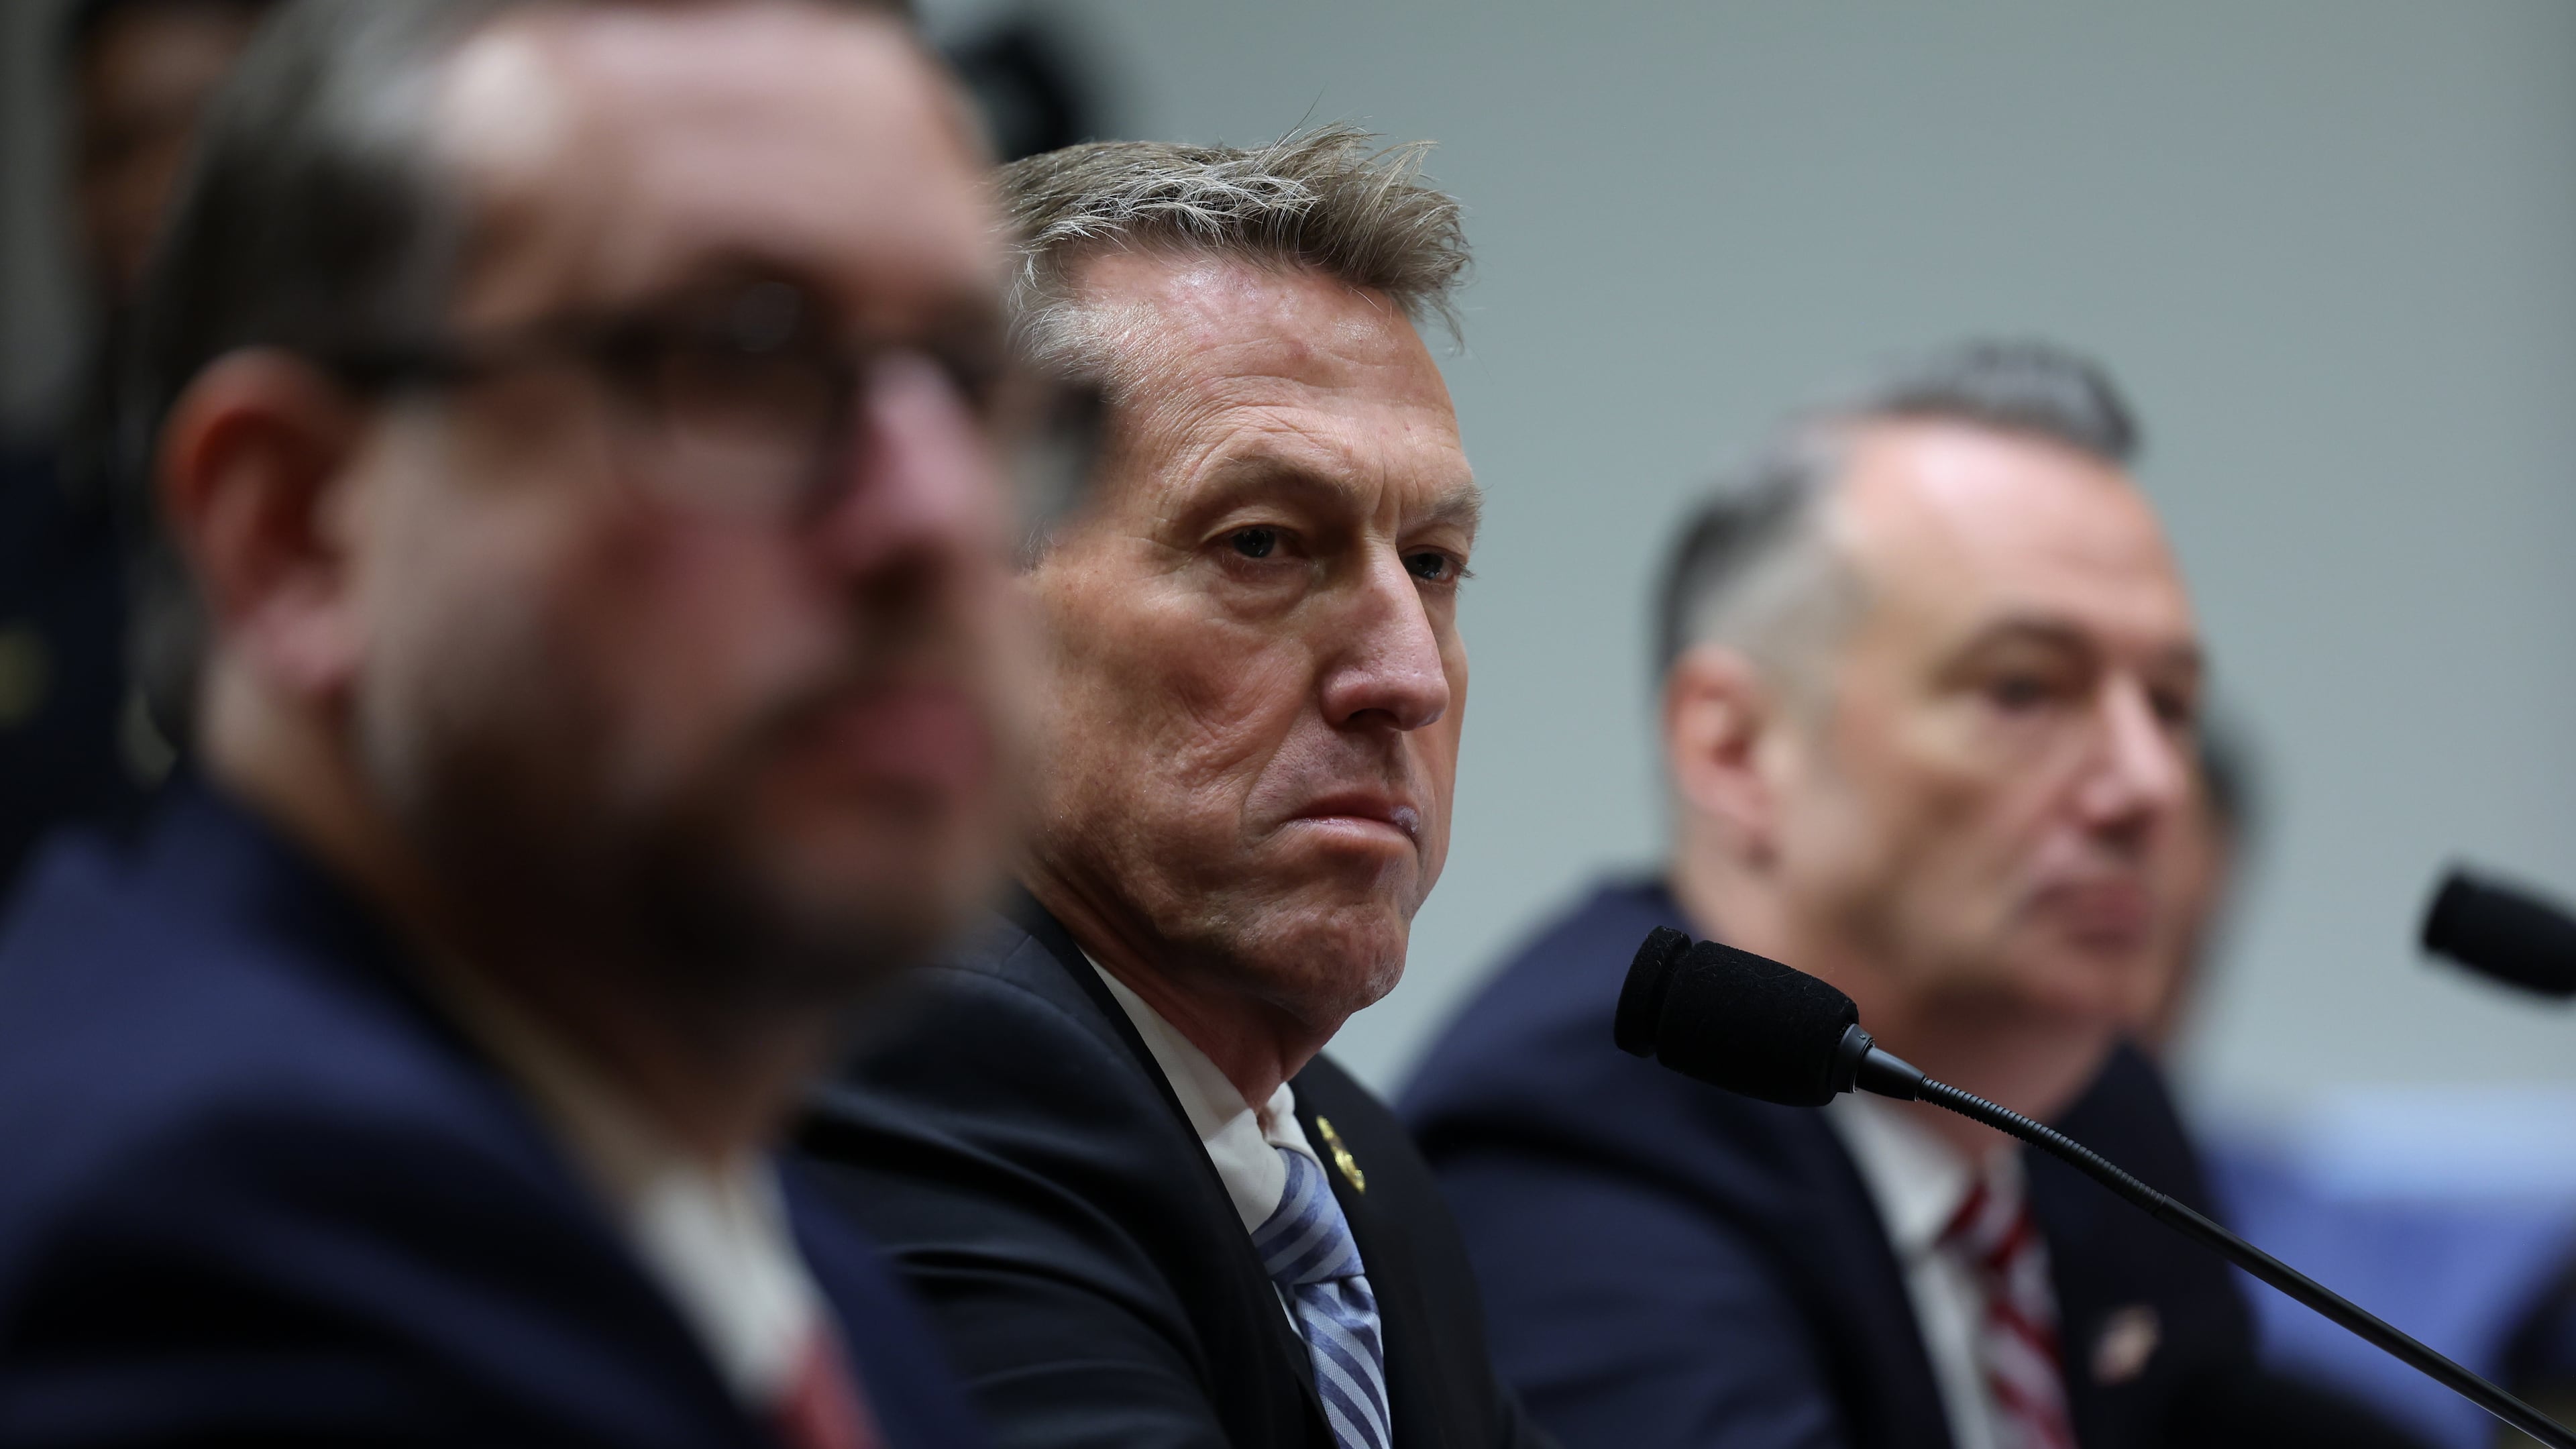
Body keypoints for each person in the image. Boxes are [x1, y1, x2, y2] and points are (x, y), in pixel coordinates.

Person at [0, 0, 1068, 1442]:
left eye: (968, 379)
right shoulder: (216, 1255)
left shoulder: (755, 1237)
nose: (938, 515)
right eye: (739, 357)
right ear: (297, 529)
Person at [1403, 343, 2420, 1449]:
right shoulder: (1572, 1155)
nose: (2150, 785)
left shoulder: (2095, 1104)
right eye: (2026, 688)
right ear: (1737, 749)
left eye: (2170, 705)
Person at [796, 129, 1550, 1449]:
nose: (1406, 676)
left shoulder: (1351, 1163)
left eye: (1432, 566)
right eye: (1261, 544)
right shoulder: (913, 1053)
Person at [1, 0, 283, 897]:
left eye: (200, 132)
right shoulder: (18, 530)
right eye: (115, 147)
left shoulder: (389, 521)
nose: (156, 190)